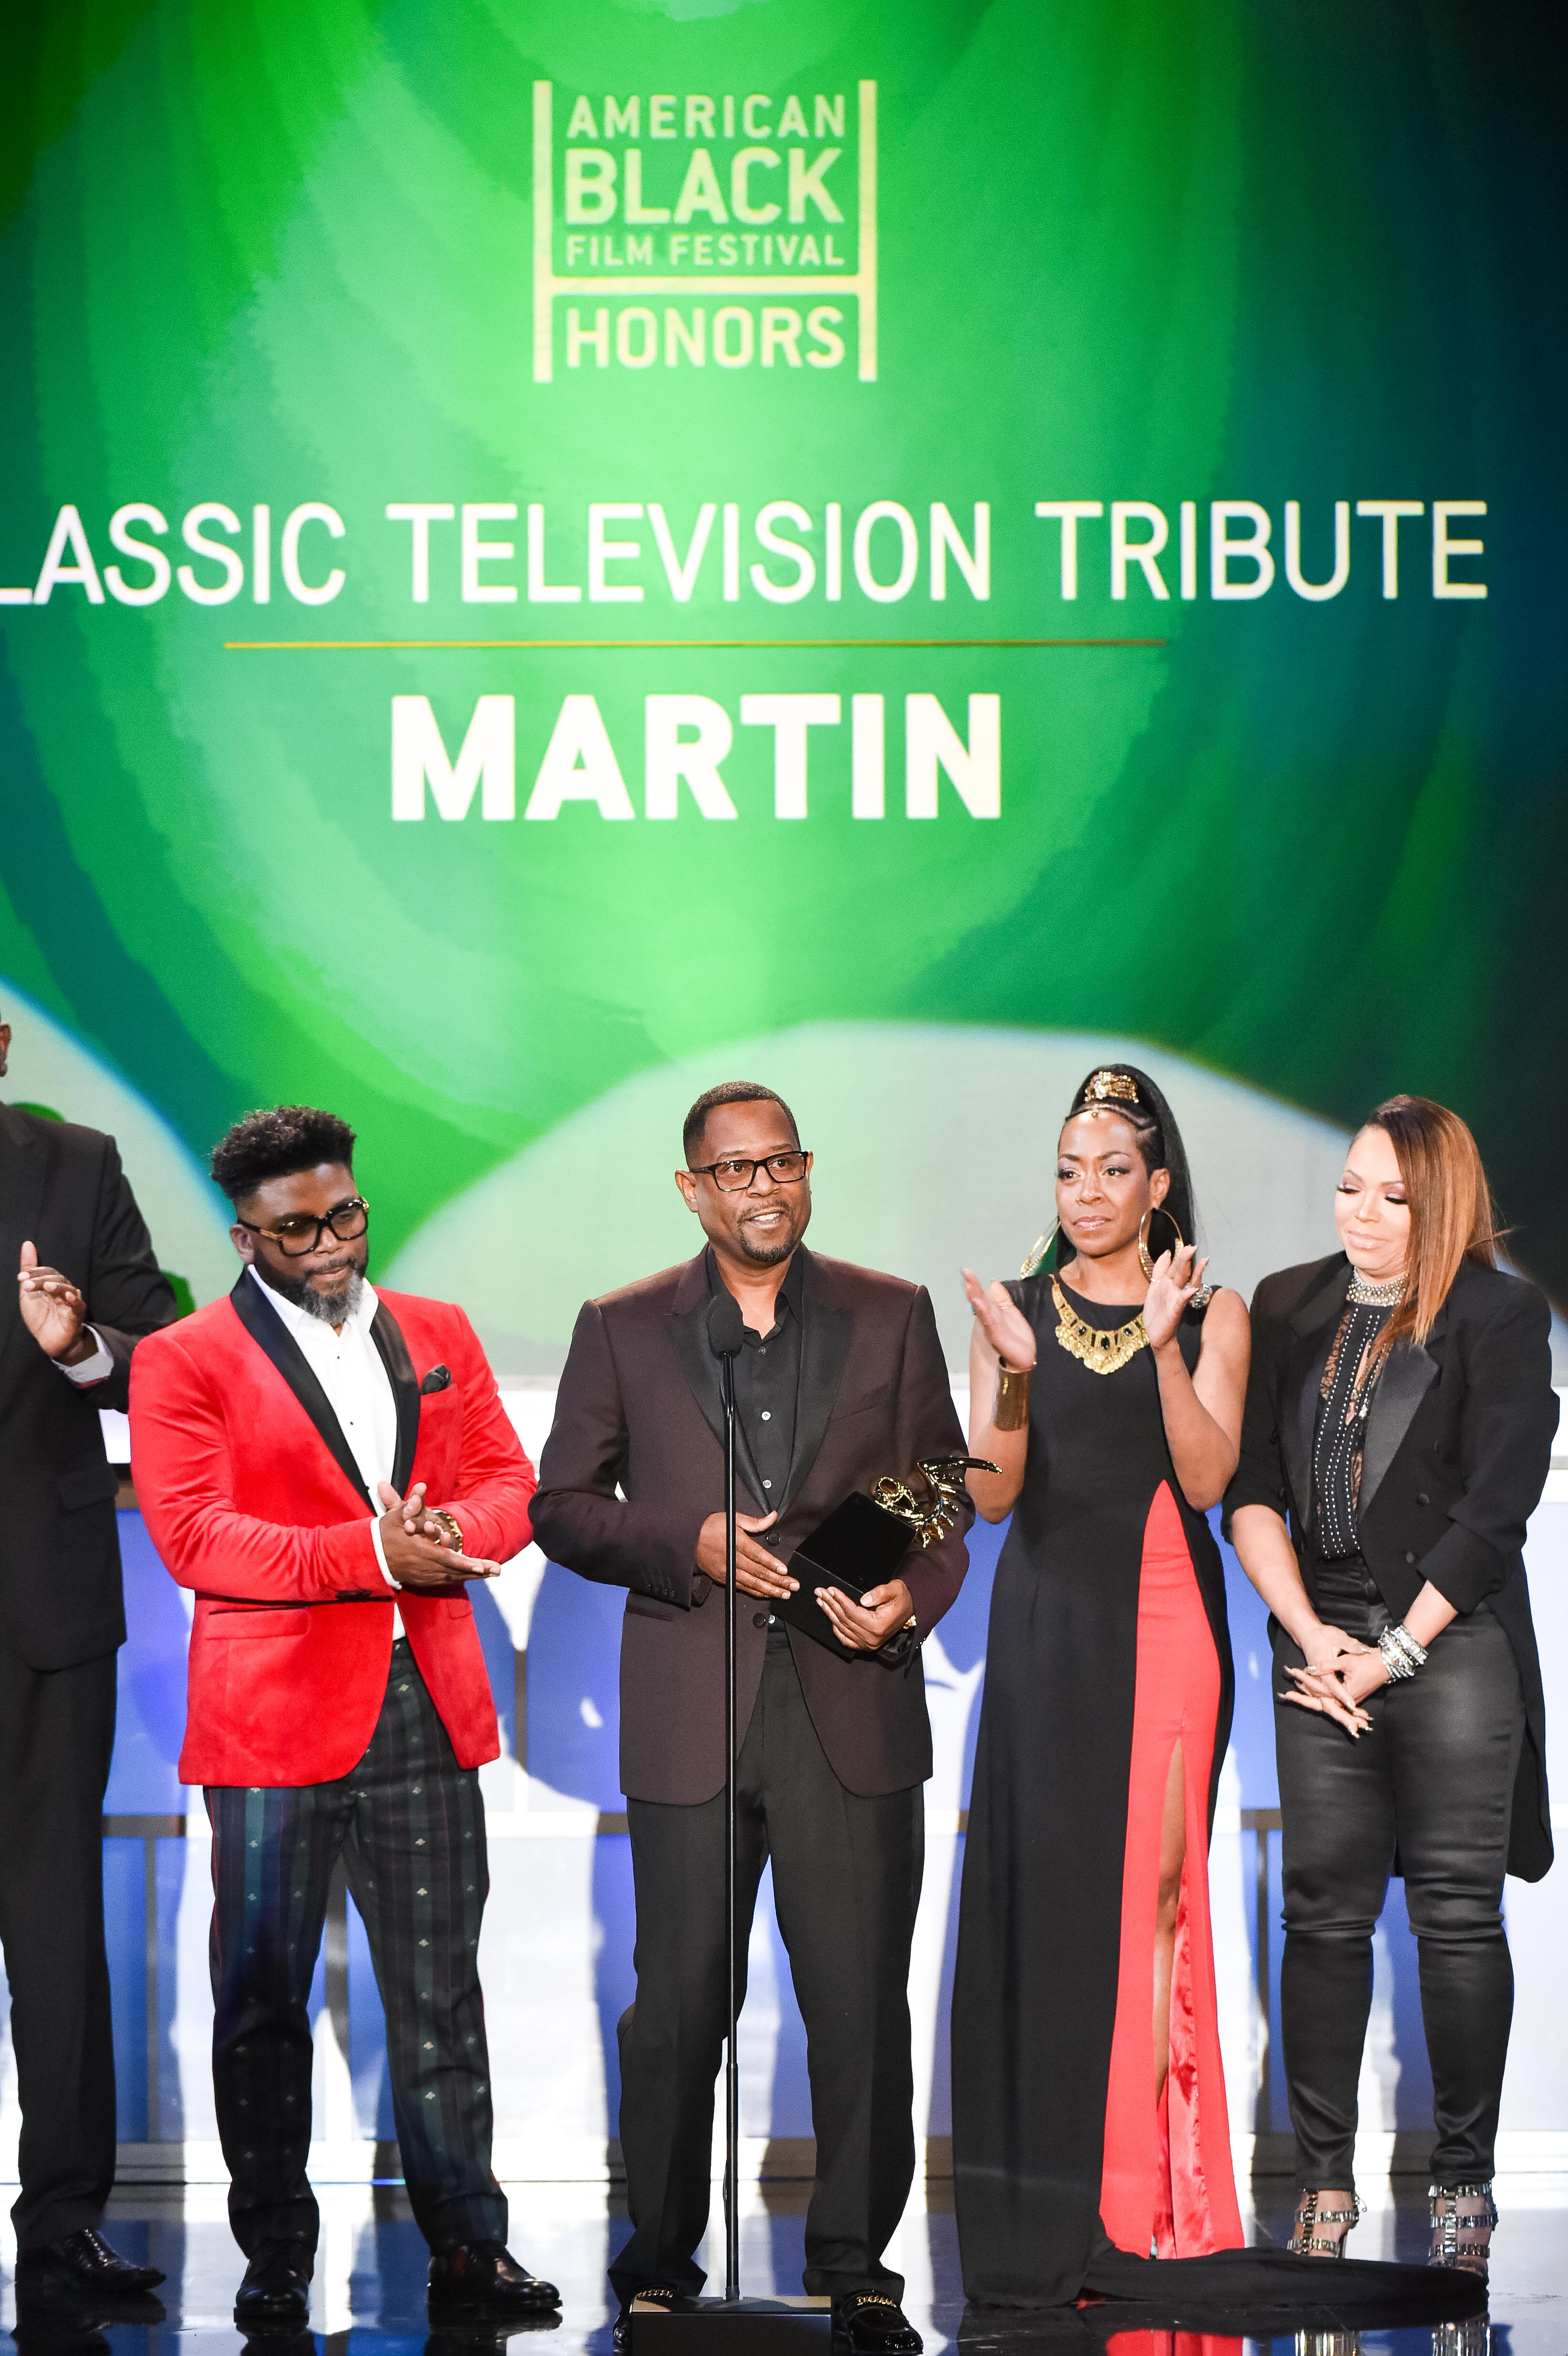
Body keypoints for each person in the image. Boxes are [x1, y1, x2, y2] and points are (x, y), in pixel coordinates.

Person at [530, 1081, 973, 2356]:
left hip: (853, 1703)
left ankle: (857, 2268)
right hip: (693, 1711)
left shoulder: (890, 1311)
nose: (763, 1186)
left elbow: (943, 1489)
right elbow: (563, 1507)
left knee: (858, 2007)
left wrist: (910, 1598)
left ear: (807, 1168)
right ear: (692, 1190)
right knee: (675, 2008)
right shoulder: (622, 1326)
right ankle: (660, 2266)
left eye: (781, 1162)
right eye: (735, 1170)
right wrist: (691, 1540)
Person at [128, 1106, 561, 2328]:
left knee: (439, 1992)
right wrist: (373, 1553)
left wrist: (445, 1537)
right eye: (296, 1229)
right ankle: (274, 2251)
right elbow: (196, 1537)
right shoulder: (184, 1358)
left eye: (345, 1215)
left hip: (424, 1701)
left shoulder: (438, 1330)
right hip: (271, 1717)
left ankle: (470, 2247)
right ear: (244, 1236)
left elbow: (508, 1484)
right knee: (262, 1997)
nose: (329, 1244)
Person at [1226, 1095, 1557, 2277]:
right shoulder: (1286, 1303)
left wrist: (1393, 1651)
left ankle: (1461, 2184)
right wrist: (1310, 1635)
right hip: (1318, 1642)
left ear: (1443, 1203)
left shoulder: (1499, 1315)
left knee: (1455, 1919)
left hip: (1446, 1641)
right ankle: (1323, 2186)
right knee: (1319, 1915)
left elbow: (1494, 1509)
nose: (1359, 1214)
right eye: (1348, 1187)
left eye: (1392, 1197)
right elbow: (1251, 1490)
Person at [950, 1063, 1251, 2306]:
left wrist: (1166, 1346)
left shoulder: (1215, 1311)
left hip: (1170, 1621)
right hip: (1044, 1626)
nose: (1085, 1192)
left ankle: (1155, 2203)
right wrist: (1016, 1370)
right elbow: (989, 1495)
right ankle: (1060, 2202)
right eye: (1069, 1171)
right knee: (1057, 1906)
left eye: (1112, 1169)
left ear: (1156, 1184)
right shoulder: (1013, 1309)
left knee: (1156, 1901)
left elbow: (1208, 1478)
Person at [0, 1005, 175, 2309]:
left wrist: (76, 1348)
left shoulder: (77, 1164)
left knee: (56, 1926)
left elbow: (159, 1357)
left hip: (43, 1607)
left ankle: (63, 2220)